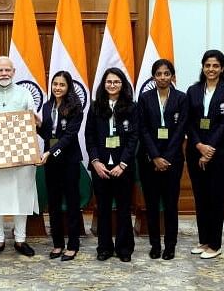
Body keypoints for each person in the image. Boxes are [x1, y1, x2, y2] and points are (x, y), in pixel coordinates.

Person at [0, 56, 39, 258]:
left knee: (23, 195)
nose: (4, 74)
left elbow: (35, 121)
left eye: (7, 70)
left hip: (22, 156)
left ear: (14, 72)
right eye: (0, 70)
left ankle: (20, 239)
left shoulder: (25, 93)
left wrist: (33, 117)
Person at [186, 49, 224, 259]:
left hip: (221, 153)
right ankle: (204, 239)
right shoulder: (193, 90)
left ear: (222, 68)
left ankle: (215, 244)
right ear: (202, 67)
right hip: (195, 152)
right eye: (208, 65)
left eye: (215, 65)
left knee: (216, 197)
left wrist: (210, 149)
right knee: (200, 197)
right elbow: (187, 122)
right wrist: (199, 146)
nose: (211, 69)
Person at [85, 67, 138, 262]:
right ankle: (104, 248)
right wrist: (95, 162)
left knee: (124, 209)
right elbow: (89, 136)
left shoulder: (132, 107)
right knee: (103, 209)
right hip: (101, 168)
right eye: (109, 82)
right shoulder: (95, 106)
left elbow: (134, 137)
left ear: (122, 84)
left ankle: (124, 249)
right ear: (103, 84)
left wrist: (122, 164)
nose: (112, 85)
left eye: (116, 82)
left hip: (122, 168)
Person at [137, 59, 188, 260]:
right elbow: (143, 129)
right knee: (151, 204)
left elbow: (181, 129)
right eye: (159, 74)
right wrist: (155, 156)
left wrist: (166, 157)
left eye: (167, 73)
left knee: (170, 205)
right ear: (153, 77)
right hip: (149, 160)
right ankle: (155, 244)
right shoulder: (145, 98)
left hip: (173, 160)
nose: (163, 77)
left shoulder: (181, 99)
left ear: (172, 76)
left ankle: (170, 245)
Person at [36, 71, 83, 262]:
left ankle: (72, 245)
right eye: (55, 84)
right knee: (53, 204)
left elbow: (69, 137)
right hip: (52, 163)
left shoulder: (75, 107)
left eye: (62, 85)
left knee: (72, 203)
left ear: (68, 87)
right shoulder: (47, 107)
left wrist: (49, 152)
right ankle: (57, 243)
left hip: (69, 161)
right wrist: (38, 125)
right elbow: (48, 134)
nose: (57, 87)